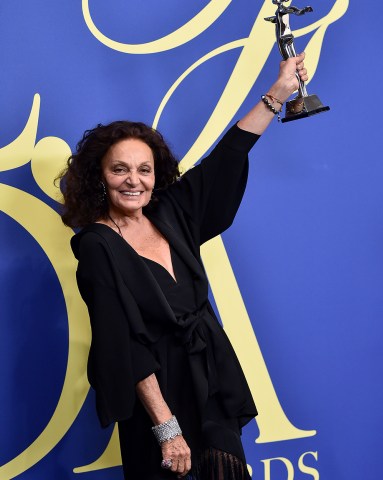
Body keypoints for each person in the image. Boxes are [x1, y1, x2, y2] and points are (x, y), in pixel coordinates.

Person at [59, 54, 308, 480]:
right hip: (158, 400)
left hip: (209, 381)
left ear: (157, 176)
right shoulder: (97, 246)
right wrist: (166, 428)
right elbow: (125, 346)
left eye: (144, 169)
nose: (133, 180)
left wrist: (278, 93)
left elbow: (226, 159)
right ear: (100, 177)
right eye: (119, 169)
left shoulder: (170, 212)